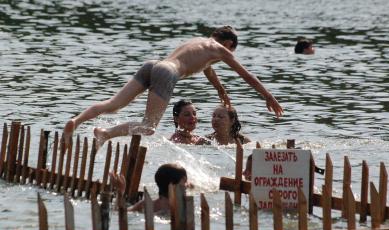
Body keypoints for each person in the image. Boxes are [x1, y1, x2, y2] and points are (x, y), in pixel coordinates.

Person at [63, 26, 283, 148]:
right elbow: (247, 75)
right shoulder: (221, 50)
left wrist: (220, 90)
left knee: (113, 105)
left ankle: (77, 120)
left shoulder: (199, 43)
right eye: (231, 51)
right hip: (167, 73)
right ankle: (105, 134)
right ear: (228, 45)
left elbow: (207, 69)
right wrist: (269, 96)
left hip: (153, 64)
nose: (228, 55)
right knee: (149, 128)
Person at [111, 163, 188, 213]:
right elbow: (119, 214)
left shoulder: (146, 205)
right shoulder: (146, 204)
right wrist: (120, 191)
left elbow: (118, 214)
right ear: (172, 185)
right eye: (184, 182)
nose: (186, 186)